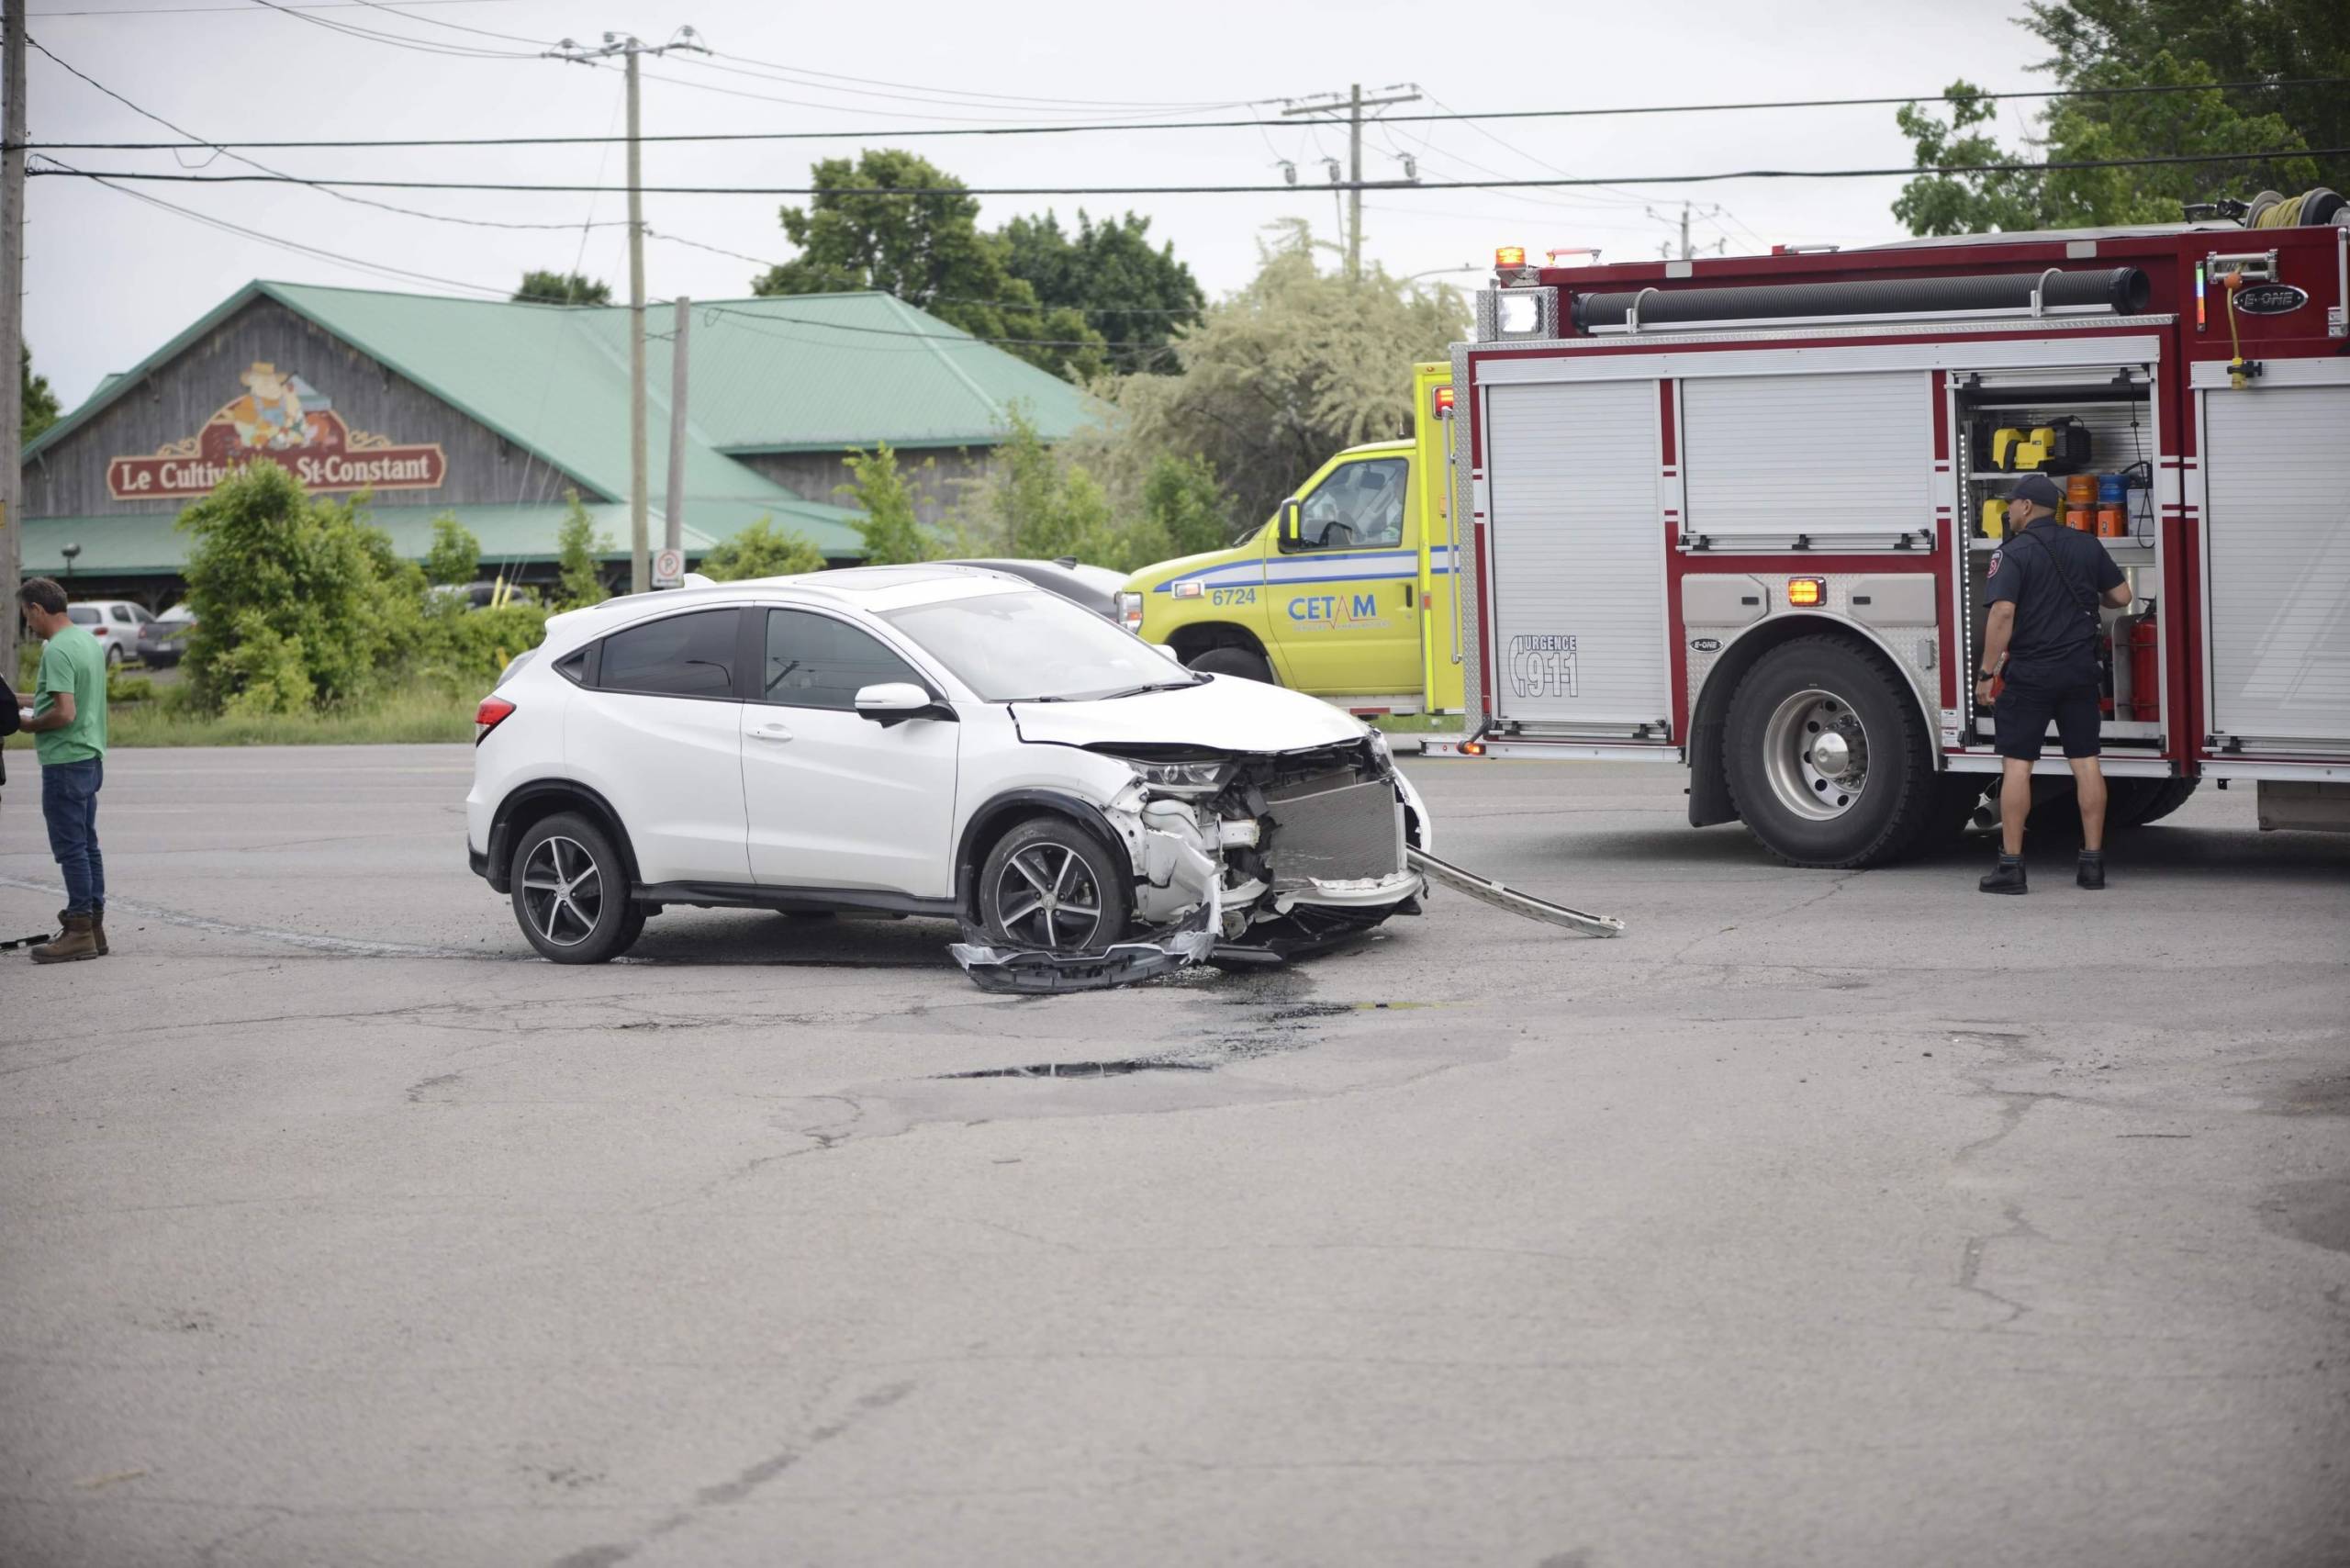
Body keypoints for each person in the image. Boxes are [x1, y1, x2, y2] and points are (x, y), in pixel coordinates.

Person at [1975, 474, 2134, 894]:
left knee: (2018, 766)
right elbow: (2122, 597)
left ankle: (2011, 868)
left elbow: (2003, 613)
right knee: (2085, 763)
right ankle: (2093, 866)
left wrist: (1987, 673)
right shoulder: (2086, 544)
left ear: (2026, 507)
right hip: (2080, 671)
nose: (2009, 511)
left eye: (2012, 504)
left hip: (2030, 674)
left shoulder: (2013, 552)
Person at [15, 577, 109, 961]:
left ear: (38, 608)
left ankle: (79, 930)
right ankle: (95, 926)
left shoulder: (56, 651)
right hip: (89, 757)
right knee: (87, 846)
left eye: (27, 616)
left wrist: (28, 725)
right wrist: (12, 699)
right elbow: (58, 697)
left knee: (70, 849)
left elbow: (63, 711)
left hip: (64, 761)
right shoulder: (86, 642)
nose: (29, 624)